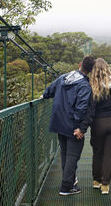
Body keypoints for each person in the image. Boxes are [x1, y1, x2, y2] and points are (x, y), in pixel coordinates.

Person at [41, 55, 95, 196]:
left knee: (65, 154)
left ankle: (69, 181)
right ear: (91, 70)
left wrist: (43, 95)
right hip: (72, 125)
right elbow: (82, 107)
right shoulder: (84, 85)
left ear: (79, 64)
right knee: (72, 156)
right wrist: (78, 127)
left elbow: (50, 90)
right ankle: (66, 187)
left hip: (59, 123)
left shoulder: (64, 77)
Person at [87, 58, 111, 195]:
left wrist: (86, 124)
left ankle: (96, 181)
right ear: (108, 68)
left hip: (98, 123)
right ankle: (105, 185)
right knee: (109, 155)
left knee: (98, 153)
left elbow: (90, 107)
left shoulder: (92, 85)